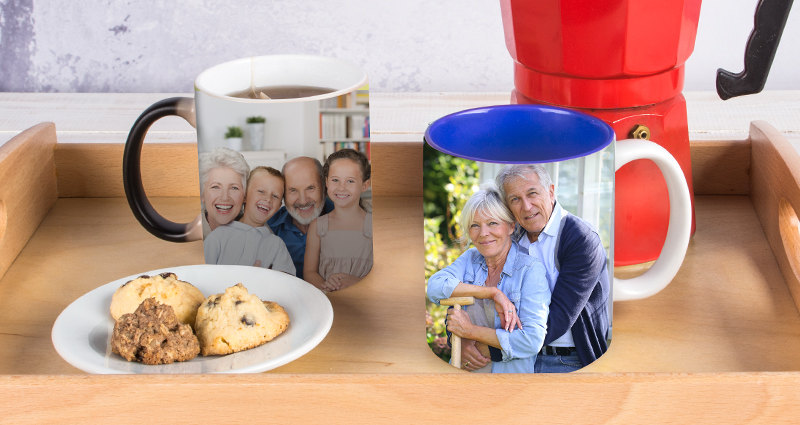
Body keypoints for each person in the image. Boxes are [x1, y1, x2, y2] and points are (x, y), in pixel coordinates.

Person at [493, 164, 610, 373]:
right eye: (515, 199)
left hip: (566, 361)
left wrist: (490, 348)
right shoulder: (511, 237)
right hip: (515, 358)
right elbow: (474, 276)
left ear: (551, 192)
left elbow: (559, 317)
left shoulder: (580, 238)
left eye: (532, 193)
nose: (527, 207)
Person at [427, 182, 550, 373]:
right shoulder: (469, 259)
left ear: (511, 226)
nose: (483, 233)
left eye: (492, 223)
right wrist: (491, 293)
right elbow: (434, 287)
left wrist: (468, 332)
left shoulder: (529, 270)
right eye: (475, 225)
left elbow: (531, 341)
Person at [304, 149, 373, 292]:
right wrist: (328, 288)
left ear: (364, 185)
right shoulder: (318, 226)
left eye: (350, 181)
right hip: (328, 302)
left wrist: (356, 283)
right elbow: (309, 272)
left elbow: (385, 276)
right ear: (327, 182)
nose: (341, 187)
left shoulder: (376, 226)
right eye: (335, 180)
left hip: (365, 303)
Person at [204, 166, 295, 275]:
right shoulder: (219, 235)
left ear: (278, 207)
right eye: (261, 191)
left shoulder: (277, 245)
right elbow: (201, 275)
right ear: (245, 196)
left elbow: (286, 282)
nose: (268, 199)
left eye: (275, 196)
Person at [267, 156, 335, 279]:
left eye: (310, 188)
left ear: (325, 188)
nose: (303, 201)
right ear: (283, 195)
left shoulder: (348, 223)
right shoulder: (268, 228)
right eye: (293, 190)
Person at [199, 147, 249, 234]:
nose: (225, 197)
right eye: (215, 187)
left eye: (234, 188)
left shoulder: (259, 234)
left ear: (245, 196)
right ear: (202, 195)